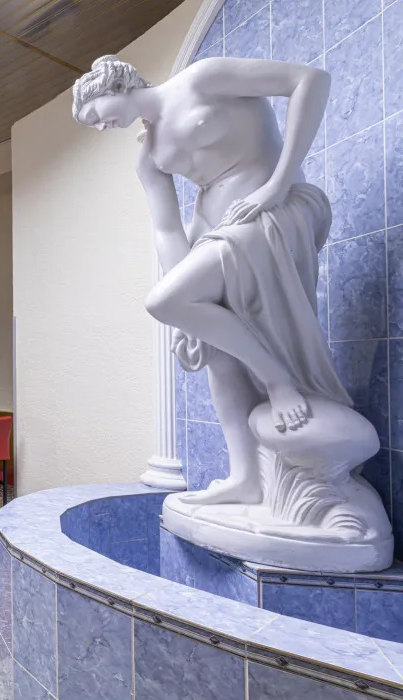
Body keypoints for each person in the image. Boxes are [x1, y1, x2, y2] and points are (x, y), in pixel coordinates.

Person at [73, 55, 350, 505]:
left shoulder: (201, 79)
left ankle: (278, 380)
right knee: (211, 345)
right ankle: (245, 476)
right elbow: (167, 230)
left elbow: (310, 80)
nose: (102, 127)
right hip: (214, 234)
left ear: (113, 86)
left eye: (97, 115)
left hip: (271, 213)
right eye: (94, 126)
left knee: (162, 301)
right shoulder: (148, 157)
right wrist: (188, 311)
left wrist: (277, 184)